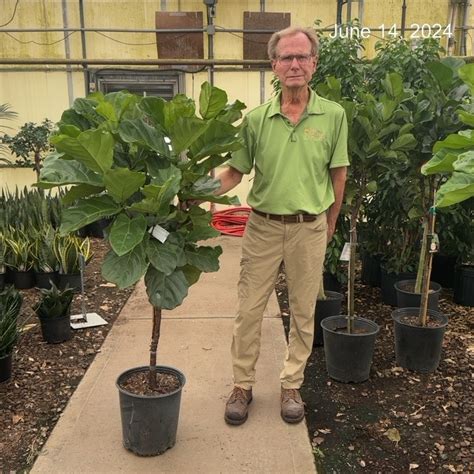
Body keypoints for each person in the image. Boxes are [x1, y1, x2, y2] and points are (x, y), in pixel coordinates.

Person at [215, 26, 349, 425]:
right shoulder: (257, 119)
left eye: (302, 57)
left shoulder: (334, 116)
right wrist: (192, 189)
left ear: (314, 63)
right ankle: (242, 385)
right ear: (273, 65)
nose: (294, 64)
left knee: (304, 311)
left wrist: (328, 225)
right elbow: (235, 173)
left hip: (309, 228)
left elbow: (338, 175)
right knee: (249, 310)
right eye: (286, 57)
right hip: (263, 228)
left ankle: (292, 384)